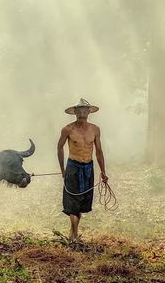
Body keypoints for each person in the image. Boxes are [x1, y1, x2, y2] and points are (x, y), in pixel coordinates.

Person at [57, 98, 108, 241]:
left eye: (85, 110)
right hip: (73, 167)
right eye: (79, 110)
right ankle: (74, 236)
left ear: (89, 112)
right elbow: (59, 147)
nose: (82, 112)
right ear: (75, 112)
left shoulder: (95, 129)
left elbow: (98, 151)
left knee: (82, 202)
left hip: (88, 168)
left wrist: (103, 172)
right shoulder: (68, 129)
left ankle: (73, 232)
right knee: (72, 202)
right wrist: (63, 169)